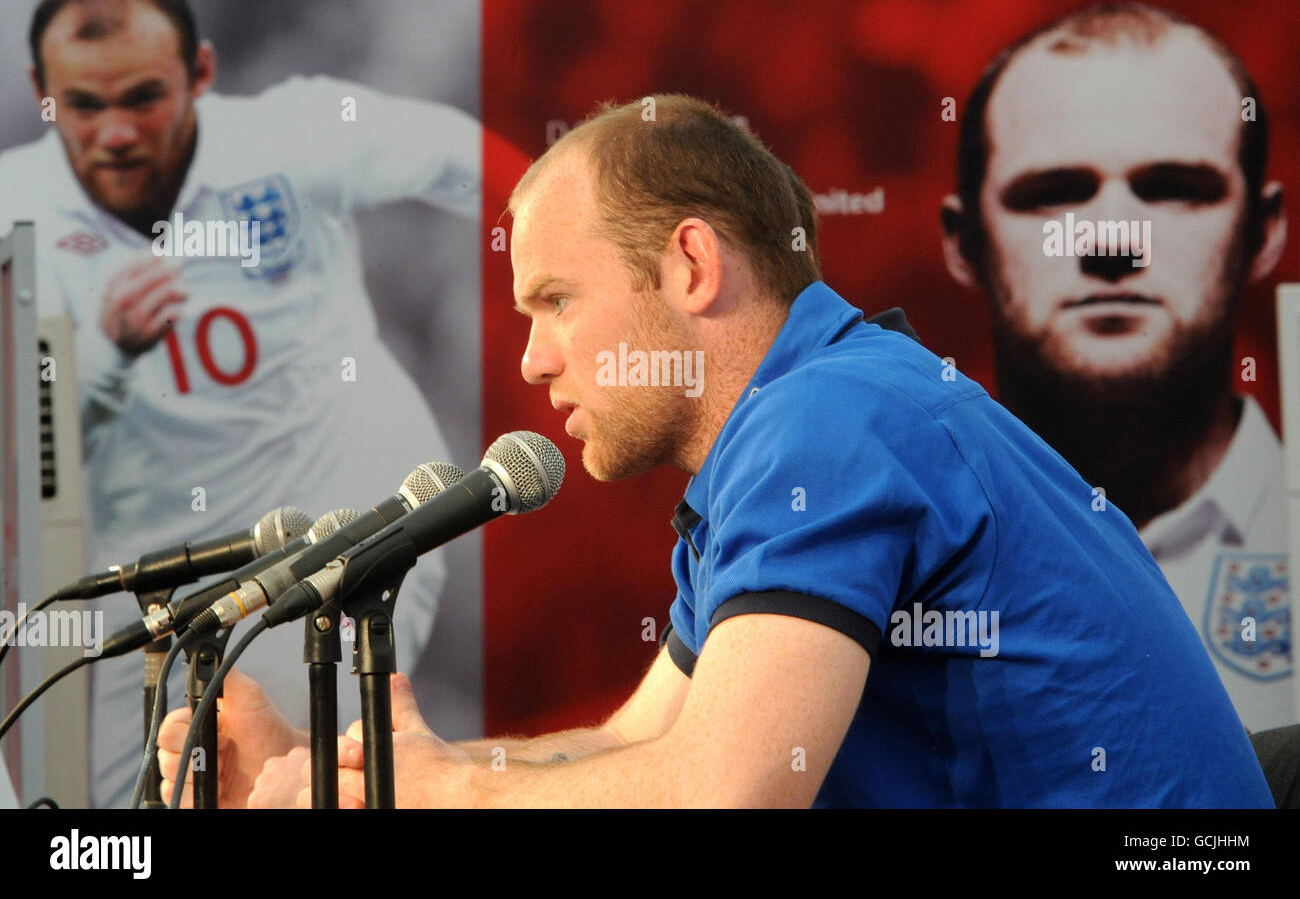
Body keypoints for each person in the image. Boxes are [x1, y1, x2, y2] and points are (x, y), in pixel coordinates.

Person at [159, 93, 1272, 807]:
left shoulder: (828, 423)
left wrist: (440, 795)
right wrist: (367, 776)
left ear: (689, 265)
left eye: (555, 299)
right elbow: (634, 745)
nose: (534, 363)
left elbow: (722, 793)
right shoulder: (809, 418)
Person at [0, 0, 483, 807]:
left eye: (143, 98)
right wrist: (106, 359)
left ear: (202, 74)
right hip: (149, 579)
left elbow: (468, 158)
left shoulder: (293, 136)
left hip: (325, 526)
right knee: (108, 821)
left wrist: (590, 244)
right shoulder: (15, 216)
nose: (114, 130)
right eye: (83, 105)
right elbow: (21, 471)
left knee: (264, 781)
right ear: (42, 91)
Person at [938, 2, 1292, 733]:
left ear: (1261, 233)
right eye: (1055, 194)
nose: (1111, 242)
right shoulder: (870, 559)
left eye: (1172, 189)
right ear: (965, 242)